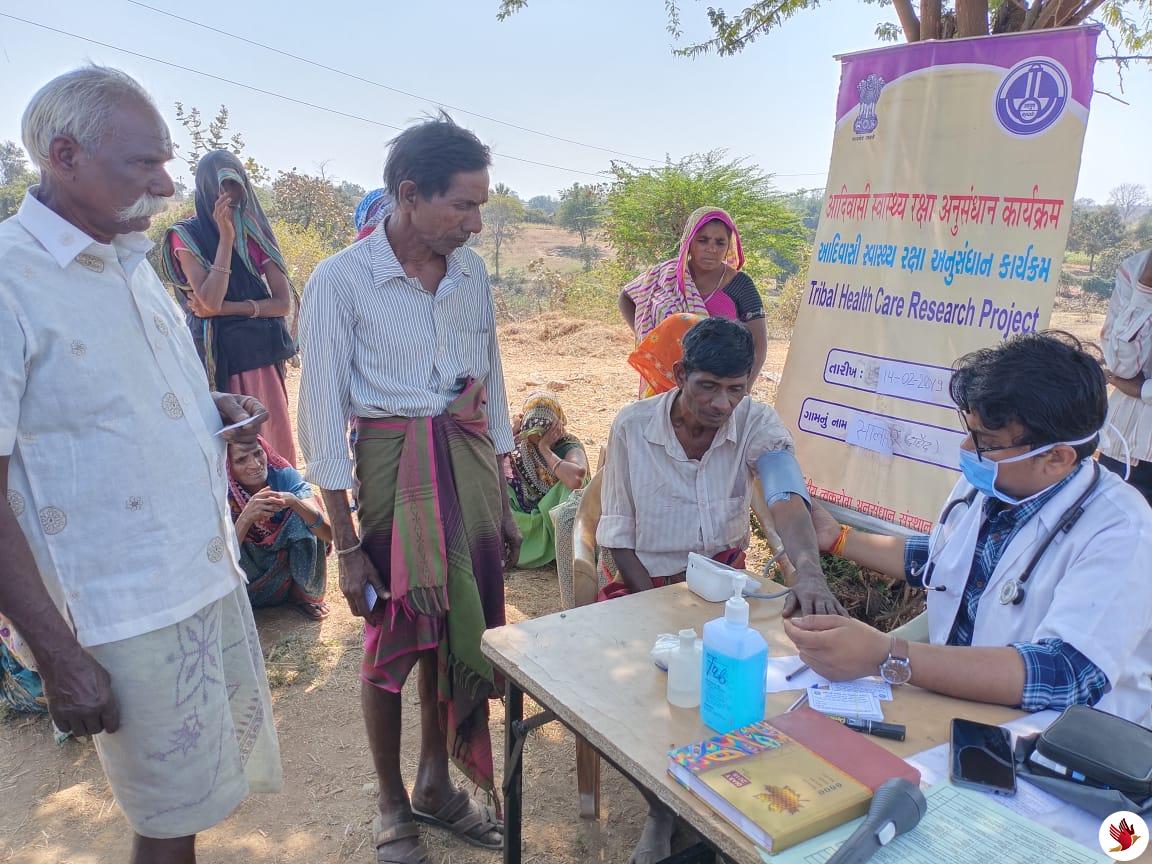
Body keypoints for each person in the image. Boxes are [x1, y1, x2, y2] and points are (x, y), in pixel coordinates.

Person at [0, 67, 281, 864]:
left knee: (185, 806)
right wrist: (58, 655)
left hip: (197, 577)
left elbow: (119, 405)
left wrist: (210, 409)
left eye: (167, 162)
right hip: (119, 614)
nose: (166, 184)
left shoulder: (129, 261)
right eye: (144, 164)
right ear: (63, 155)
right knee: (163, 823)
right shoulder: (9, 280)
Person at [297, 114, 518, 863]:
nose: (476, 223)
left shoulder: (471, 276)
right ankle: (392, 802)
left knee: (456, 627)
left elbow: (491, 373)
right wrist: (347, 545)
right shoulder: (339, 280)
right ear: (408, 194)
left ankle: (436, 782)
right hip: (393, 472)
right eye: (463, 205)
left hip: (469, 463)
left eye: (482, 205)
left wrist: (505, 484)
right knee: (393, 636)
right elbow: (322, 418)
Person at [787, 332, 1152, 728]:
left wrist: (890, 655)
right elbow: (948, 559)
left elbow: (1064, 673)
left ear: (1055, 457)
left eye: (986, 442)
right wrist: (839, 538)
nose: (967, 448)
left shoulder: (1122, 531)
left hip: (1055, 751)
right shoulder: (997, 481)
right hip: (958, 712)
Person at [596, 317, 843, 864]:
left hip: (725, 581)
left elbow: (784, 492)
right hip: (642, 583)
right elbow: (616, 536)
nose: (721, 403)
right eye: (708, 385)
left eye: (736, 389)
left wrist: (808, 571)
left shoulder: (754, 421)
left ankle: (719, 799)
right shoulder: (633, 426)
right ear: (681, 375)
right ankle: (660, 810)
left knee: (738, 694)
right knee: (640, 705)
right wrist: (660, 609)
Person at [160, 150, 299, 464]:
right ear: (206, 189)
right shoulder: (186, 236)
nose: (228, 195)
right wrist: (225, 240)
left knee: (272, 448)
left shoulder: (256, 234)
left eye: (234, 185)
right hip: (216, 358)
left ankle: (281, 510)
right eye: (220, 186)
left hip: (261, 356)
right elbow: (208, 298)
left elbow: (281, 303)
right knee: (232, 451)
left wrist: (225, 310)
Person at [619, 208, 767, 394]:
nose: (711, 249)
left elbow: (759, 347)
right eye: (703, 240)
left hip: (716, 385)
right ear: (689, 241)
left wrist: (741, 390)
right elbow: (626, 297)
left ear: (728, 246)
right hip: (665, 381)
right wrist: (654, 341)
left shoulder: (739, 284)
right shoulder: (665, 275)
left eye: (720, 242)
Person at [227, 438, 332, 620]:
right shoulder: (221, 493)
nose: (255, 464)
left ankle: (302, 595)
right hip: (250, 579)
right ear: (228, 467)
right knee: (226, 537)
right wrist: (246, 517)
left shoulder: (283, 475)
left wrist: (294, 502)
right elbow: (220, 559)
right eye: (241, 460)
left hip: (286, 574)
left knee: (305, 514)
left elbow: (328, 534)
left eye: (258, 453)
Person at [507, 392, 588, 568]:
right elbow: (490, 463)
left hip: (555, 518)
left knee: (571, 491)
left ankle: (565, 550)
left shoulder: (567, 444)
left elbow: (576, 480)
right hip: (528, 517)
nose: (538, 434)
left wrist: (545, 449)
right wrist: (510, 431)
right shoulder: (522, 444)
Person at [1098, 248, 1152, 506]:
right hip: (1121, 448)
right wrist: (1145, 289)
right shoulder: (1134, 269)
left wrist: (1144, 390)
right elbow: (1120, 366)